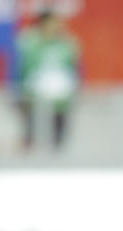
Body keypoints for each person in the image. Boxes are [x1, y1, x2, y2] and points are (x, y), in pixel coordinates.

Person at [14, 9, 80, 150]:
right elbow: (20, 69)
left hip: (60, 98)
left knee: (58, 137)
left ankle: (56, 156)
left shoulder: (66, 44)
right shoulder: (28, 43)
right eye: (51, 24)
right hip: (33, 95)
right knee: (31, 135)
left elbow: (74, 69)